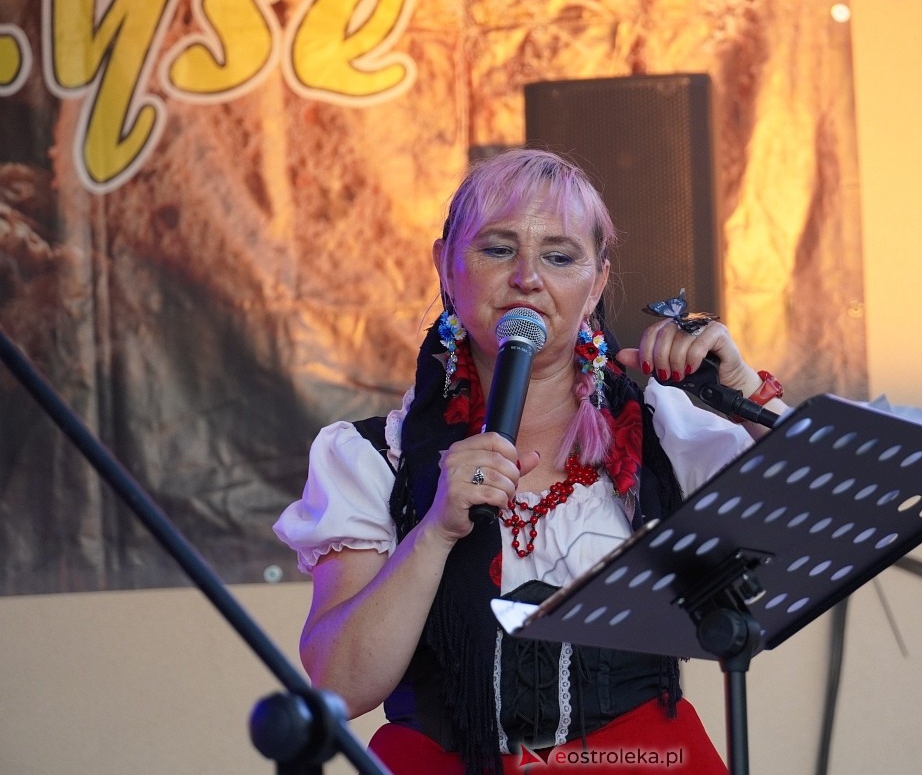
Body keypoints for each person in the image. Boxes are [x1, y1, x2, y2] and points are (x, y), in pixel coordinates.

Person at [274, 148, 789, 774]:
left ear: (596, 282)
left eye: (559, 256)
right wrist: (434, 530)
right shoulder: (374, 456)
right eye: (497, 249)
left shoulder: (662, 430)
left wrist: (745, 392)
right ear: (445, 266)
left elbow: (829, 514)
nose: (527, 277)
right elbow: (341, 685)